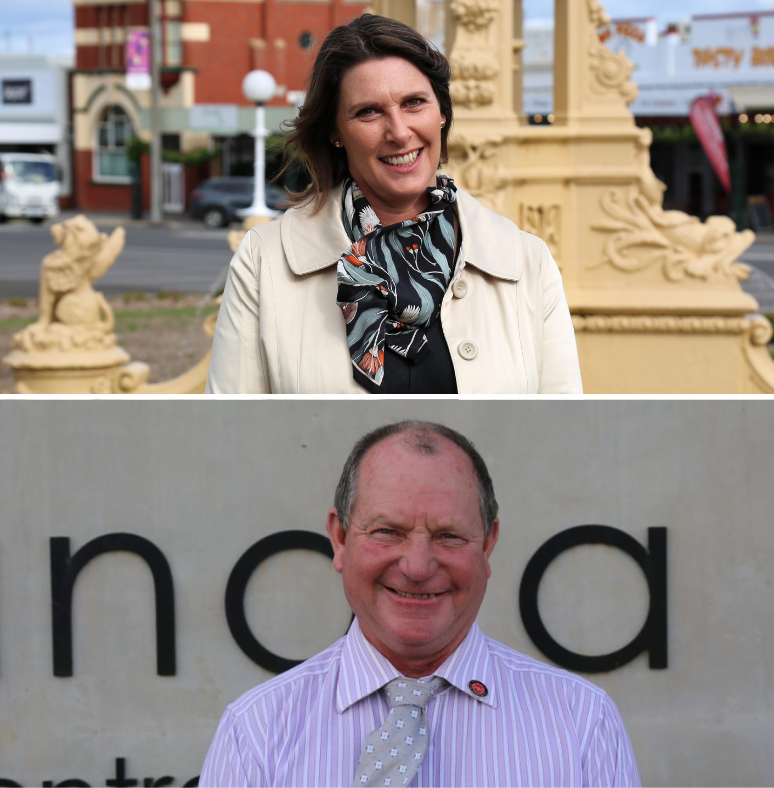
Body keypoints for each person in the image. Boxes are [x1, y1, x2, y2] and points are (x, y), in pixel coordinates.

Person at [200, 421, 639, 787]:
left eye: (448, 535)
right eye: (388, 531)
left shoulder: (582, 722)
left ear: (487, 545)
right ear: (339, 538)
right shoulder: (255, 731)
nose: (416, 566)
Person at [205, 15, 583, 394]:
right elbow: (230, 439)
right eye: (368, 111)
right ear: (335, 132)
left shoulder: (527, 263)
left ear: (442, 113)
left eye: (415, 103)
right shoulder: (263, 264)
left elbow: (563, 438)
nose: (400, 133)